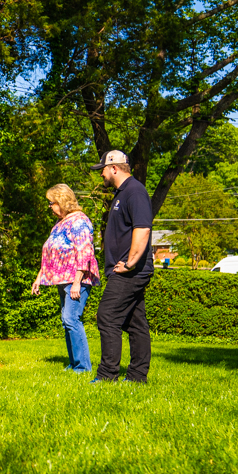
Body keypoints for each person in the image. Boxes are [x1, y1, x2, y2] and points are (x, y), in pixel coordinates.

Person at [90, 149, 154, 383]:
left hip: (130, 271)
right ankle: (137, 377)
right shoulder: (122, 193)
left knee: (107, 316)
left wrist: (130, 263)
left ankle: (107, 376)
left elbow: (143, 228)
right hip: (126, 269)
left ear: (114, 168)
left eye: (103, 170)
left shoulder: (135, 192)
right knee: (135, 323)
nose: (102, 175)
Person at [30, 184, 100, 373]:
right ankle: (74, 363)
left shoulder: (79, 221)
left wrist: (77, 281)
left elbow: (84, 252)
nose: (50, 207)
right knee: (66, 320)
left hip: (77, 279)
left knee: (71, 318)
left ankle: (83, 367)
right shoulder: (60, 224)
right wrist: (38, 279)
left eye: (51, 203)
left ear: (61, 201)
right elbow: (49, 255)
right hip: (63, 279)